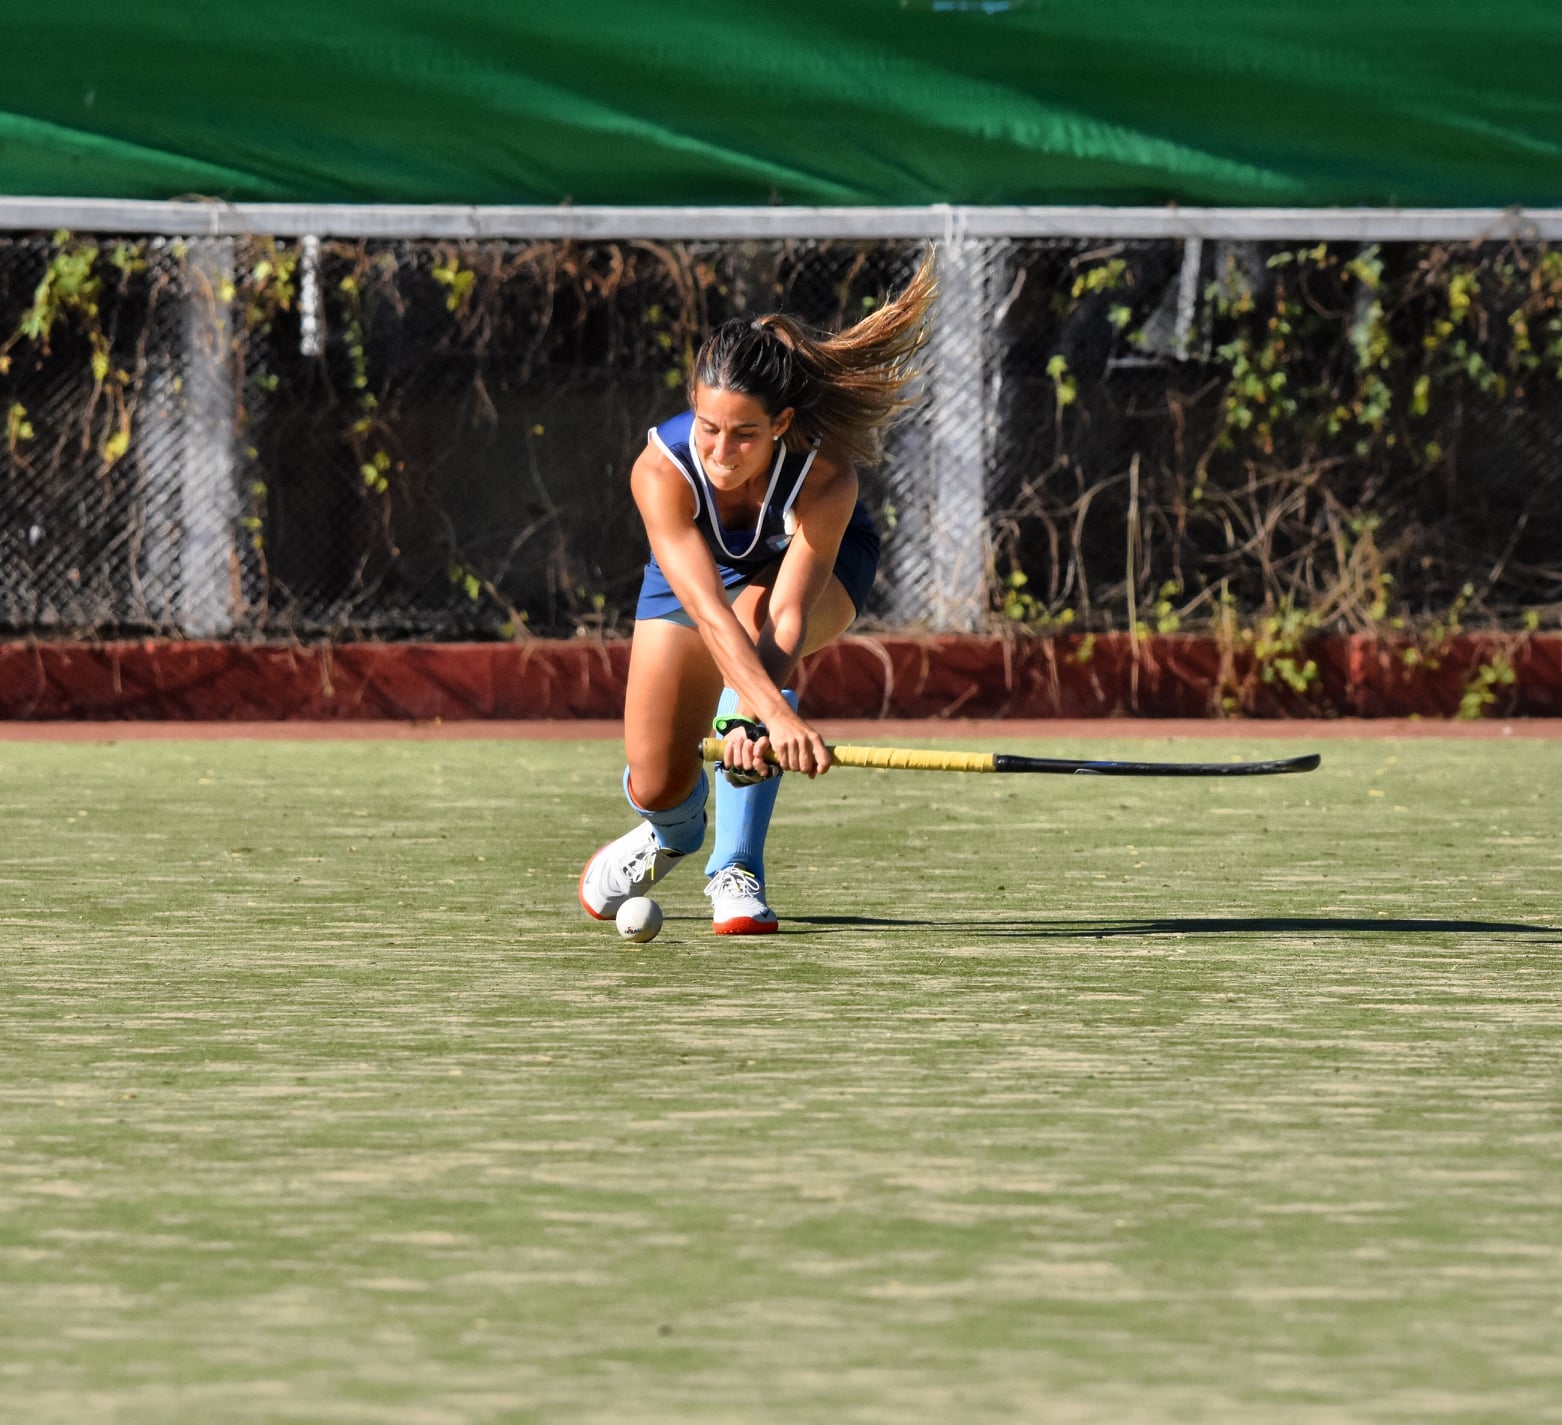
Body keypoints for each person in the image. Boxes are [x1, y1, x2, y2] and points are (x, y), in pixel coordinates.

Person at [578, 252, 937, 935]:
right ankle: (672, 835)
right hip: (703, 586)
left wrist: (752, 717)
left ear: (780, 422)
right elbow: (707, 612)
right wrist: (768, 714)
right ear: (693, 406)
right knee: (655, 780)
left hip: (814, 574)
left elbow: (787, 615)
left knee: (755, 629)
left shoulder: (825, 473)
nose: (721, 452)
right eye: (709, 428)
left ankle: (735, 867)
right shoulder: (659, 471)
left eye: (745, 434)